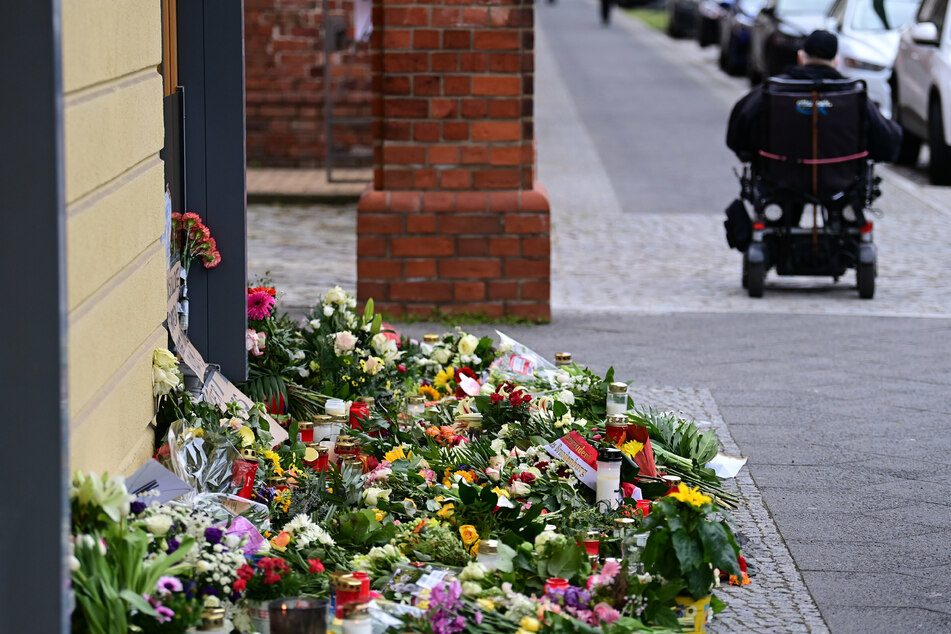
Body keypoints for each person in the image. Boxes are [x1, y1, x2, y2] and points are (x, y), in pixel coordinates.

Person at [727, 30, 901, 165]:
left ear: (800, 57)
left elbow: (740, 123)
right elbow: (887, 139)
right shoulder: (853, 94)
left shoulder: (773, 89)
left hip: (780, 177)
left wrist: (746, 152)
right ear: (835, 62)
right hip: (841, 179)